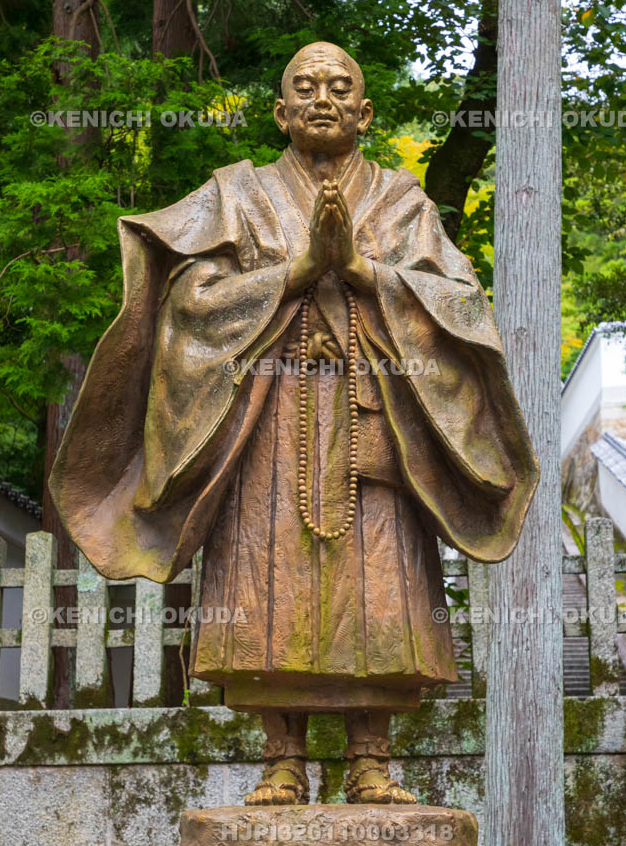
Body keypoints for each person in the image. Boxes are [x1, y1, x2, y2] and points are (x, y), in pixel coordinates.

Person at [50, 42, 538, 805]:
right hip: (264, 428)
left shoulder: (405, 204)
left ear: (365, 113)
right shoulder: (234, 196)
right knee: (265, 585)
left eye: (340, 87)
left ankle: (372, 760)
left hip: (378, 428)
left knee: (381, 587)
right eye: (304, 88)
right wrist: (296, 272)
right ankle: (281, 758)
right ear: (279, 111)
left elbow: (463, 309)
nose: (322, 98)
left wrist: (366, 272)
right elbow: (188, 307)